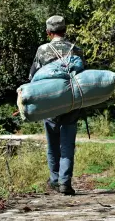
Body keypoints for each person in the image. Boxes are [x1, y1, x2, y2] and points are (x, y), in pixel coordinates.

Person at [29, 15, 84, 195]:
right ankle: (65, 182)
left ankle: (54, 179)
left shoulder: (42, 50)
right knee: (68, 144)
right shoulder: (76, 49)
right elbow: (82, 78)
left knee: (53, 144)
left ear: (48, 32)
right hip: (72, 103)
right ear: (65, 30)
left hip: (50, 103)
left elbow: (33, 77)